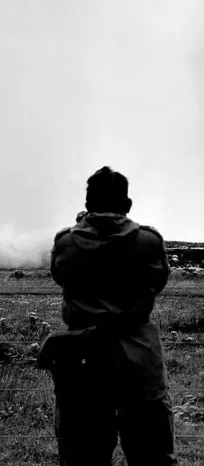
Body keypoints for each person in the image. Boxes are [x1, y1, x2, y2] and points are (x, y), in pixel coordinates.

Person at [38, 166, 177, 466]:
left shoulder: (65, 243)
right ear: (127, 205)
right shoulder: (149, 242)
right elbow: (159, 282)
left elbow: (61, 276)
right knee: (153, 458)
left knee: (82, 458)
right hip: (139, 363)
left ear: (87, 204)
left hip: (83, 364)